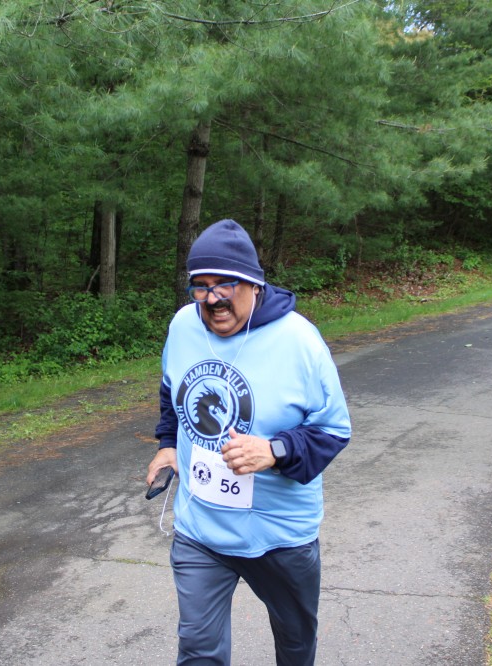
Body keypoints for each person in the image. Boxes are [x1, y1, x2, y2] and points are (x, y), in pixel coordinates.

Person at [146, 218, 352, 666]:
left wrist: (274, 451)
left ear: (254, 284)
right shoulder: (183, 326)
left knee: (295, 646)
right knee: (198, 651)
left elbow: (333, 430)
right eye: (201, 287)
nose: (213, 299)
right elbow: (171, 389)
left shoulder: (299, 341)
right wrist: (167, 443)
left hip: (279, 537)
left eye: (226, 285)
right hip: (200, 529)